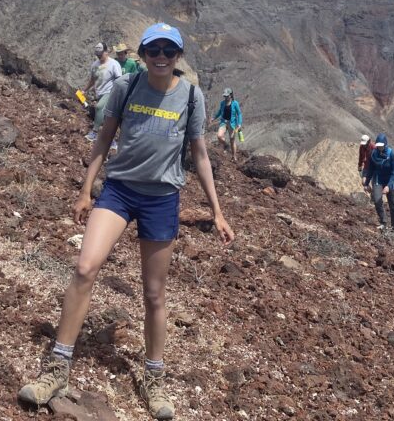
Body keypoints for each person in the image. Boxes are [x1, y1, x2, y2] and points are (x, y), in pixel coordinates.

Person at [18, 22, 235, 419]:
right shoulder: (127, 87)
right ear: (144, 54)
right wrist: (86, 189)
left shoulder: (190, 97)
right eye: (154, 51)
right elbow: (103, 139)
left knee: (154, 294)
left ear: (178, 57)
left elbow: (200, 155)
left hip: (162, 198)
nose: (162, 58)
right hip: (119, 190)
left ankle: (155, 377)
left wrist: (217, 212)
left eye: (170, 52)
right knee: (85, 267)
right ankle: (58, 367)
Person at [82, 42, 122, 142]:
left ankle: (94, 133)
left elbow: (119, 80)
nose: (99, 56)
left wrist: (118, 94)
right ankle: (111, 141)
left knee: (99, 107)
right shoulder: (95, 65)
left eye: (101, 54)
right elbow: (92, 80)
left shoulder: (113, 64)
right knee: (105, 117)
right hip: (100, 93)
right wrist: (84, 90)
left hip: (111, 92)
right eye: (97, 55)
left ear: (106, 52)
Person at [364, 133, 394, 233]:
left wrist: (388, 186)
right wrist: (366, 183)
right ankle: (383, 222)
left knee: (393, 204)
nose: (379, 147)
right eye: (378, 145)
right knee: (377, 199)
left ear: (385, 144)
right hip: (378, 179)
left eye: (381, 145)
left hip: (390, 180)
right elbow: (370, 170)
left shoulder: (391, 154)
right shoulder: (373, 154)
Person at [211, 88, 243, 162]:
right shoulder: (222, 103)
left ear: (231, 95)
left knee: (232, 139)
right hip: (223, 122)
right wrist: (214, 118)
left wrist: (239, 123)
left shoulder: (235, 103)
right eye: (224, 96)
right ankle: (226, 145)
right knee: (219, 136)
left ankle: (234, 156)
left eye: (227, 96)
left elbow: (239, 114)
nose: (225, 97)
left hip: (232, 124)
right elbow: (220, 111)